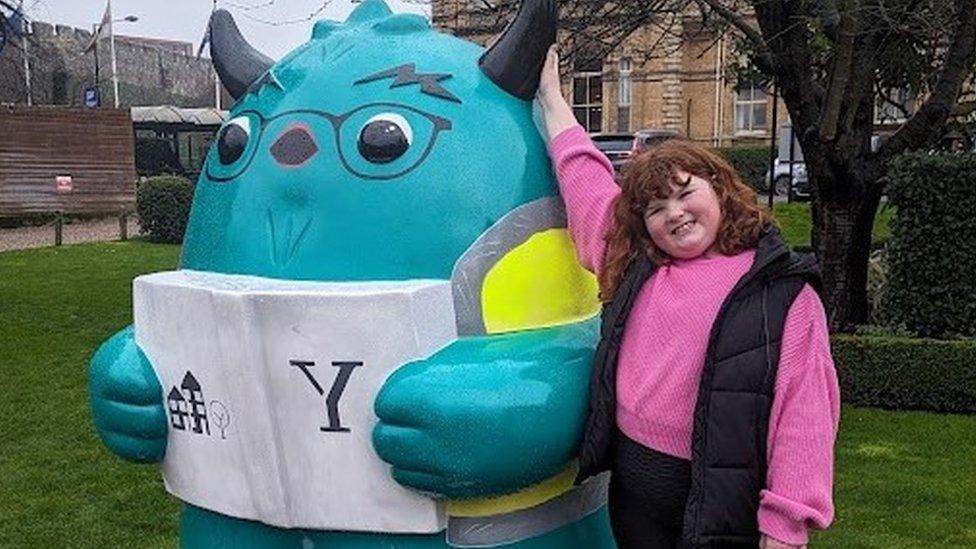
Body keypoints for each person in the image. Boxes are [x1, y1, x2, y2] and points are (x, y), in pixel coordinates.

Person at [535, 46, 840, 549]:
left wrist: (786, 525)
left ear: (719, 188)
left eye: (684, 192)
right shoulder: (637, 265)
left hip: (723, 499)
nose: (673, 213)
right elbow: (585, 181)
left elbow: (805, 412)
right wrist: (551, 98)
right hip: (633, 494)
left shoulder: (782, 291)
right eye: (655, 208)